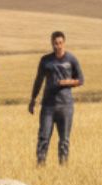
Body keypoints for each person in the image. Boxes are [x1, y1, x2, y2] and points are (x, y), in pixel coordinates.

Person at [28, 31, 84, 166]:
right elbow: (38, 80)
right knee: (43, 138)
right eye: (55, 43)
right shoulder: (45, 60)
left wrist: (67, 83)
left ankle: (63, 167)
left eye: (60, 43)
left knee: (64, 140)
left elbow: (81, 80)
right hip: (48, 106)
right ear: (51, 43)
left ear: (64, 43)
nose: (57, 46)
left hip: (66, 106)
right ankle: (40, 165)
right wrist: (33, 99)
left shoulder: (71, 59)